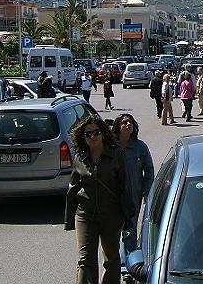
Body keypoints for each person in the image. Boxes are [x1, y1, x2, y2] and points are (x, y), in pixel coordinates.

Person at [64, 116, 132, 284]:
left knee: (111, 258)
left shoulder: (115, 154)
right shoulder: (80, 157)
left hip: (111, 214)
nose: (92, 136)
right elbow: (73, 188)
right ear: (83, 137)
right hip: (85, 214)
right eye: (88, 134)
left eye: (96, 133)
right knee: (85, 260)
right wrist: (69, 219)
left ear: (103, 134)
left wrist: (128, 215)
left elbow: (125, 186)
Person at [111, 114, 154, 257]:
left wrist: (147, 191)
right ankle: (116, 260)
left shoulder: (140, 147)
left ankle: (128, 264)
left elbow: (148, 169)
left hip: (133, 195)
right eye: (124, 122)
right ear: (118, 126)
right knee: (115, 229)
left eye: (130, 122)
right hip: (114, 195)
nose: (128, 124)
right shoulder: (110, 148)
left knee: (130, 229)